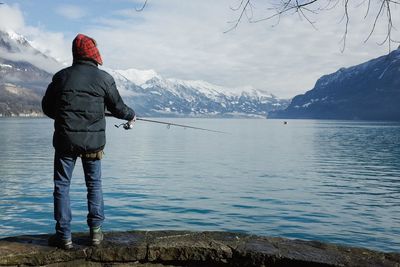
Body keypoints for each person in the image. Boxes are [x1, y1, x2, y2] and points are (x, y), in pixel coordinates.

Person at [42, 33, 136, 249]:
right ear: (94, 53)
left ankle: (64, 236)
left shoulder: (61, 77)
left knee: (61, 186)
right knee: (94, 185)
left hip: (65, 141)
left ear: (75, 53)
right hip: (93, 143)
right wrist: (131, 115)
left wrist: (64, 116)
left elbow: (47, 107)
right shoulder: (104, 79)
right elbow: (118, 108)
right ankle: (95, 234)